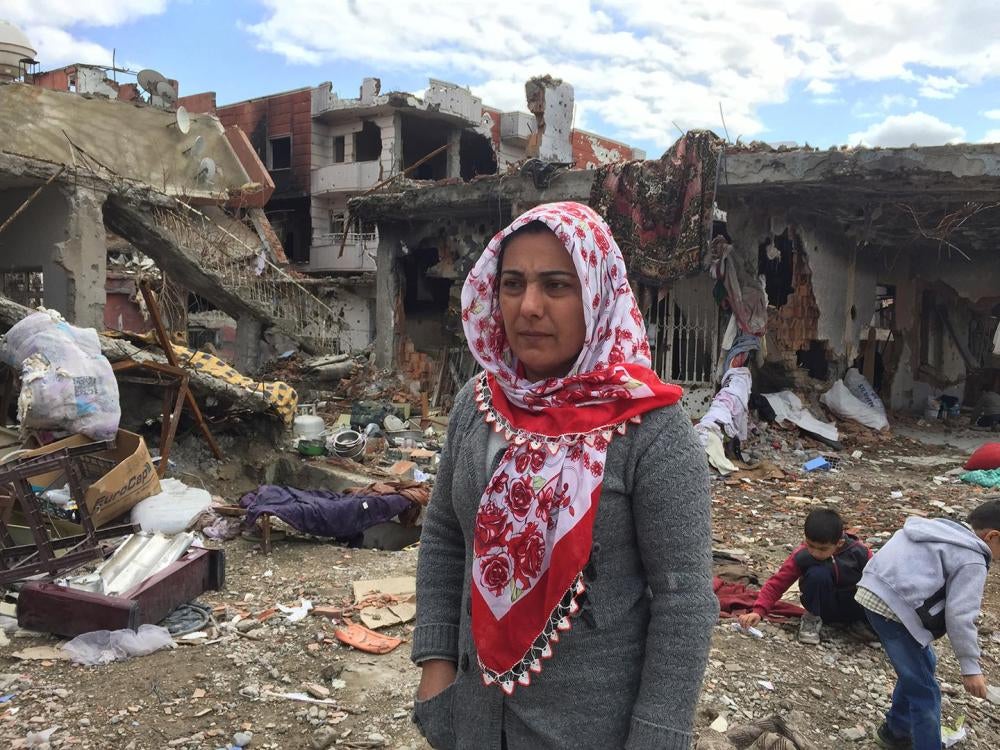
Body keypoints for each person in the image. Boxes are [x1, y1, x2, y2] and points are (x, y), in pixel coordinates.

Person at [411, 202, 717, 750]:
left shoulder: (651, 431)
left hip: (592, 730)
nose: (528, 307)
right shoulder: (479, 405)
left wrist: (658, 736)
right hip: (474, 717)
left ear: (596, 295)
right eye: (513, 284)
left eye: (556, 286)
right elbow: (444, 536)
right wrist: (436, 666)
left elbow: (683, 601)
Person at [856, 500, 1000, 750]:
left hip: (871, 590)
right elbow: (960, 616)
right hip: (895, 610)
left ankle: (896, 730)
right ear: (993, 536)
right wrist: (970, 667)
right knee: (925, 691)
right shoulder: (973, 559)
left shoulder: (936, 528)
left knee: (921, 667)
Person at [738, 507, 872, 644]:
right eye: (811, 546)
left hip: (854, 605)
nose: (815, 553)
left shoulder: (859, 553)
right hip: (823, 607)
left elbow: (879, 582)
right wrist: (758, 611)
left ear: (839, 543)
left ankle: (864, 624)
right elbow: (778, 583)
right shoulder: (802, 555)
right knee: (817, 574)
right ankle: (812, 619)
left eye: (823, 549)